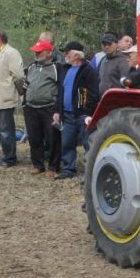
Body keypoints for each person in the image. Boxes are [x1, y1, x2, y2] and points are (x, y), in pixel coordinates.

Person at [53, 42, 99, 180]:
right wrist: (57, 110)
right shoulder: (64, 69)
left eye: (67, 52)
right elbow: (60, 92)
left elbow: (93, 93)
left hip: (83, 115)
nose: (65, 55)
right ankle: (68, 169)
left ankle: (91, 171)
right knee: (67, 142)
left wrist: (86, 111)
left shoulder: (88, 70)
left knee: (88, 143)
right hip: (66, 114)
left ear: (77, 55)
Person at [0, 29, 24, 167]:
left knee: (6, 130)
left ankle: (10, 158)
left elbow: (19, 76)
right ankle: (6, 155)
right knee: (1, 130)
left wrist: (13, 90)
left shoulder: (11, 53)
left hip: (6, 97)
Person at [24, 38, 61, 175]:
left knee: (53, 138)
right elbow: (25, 84)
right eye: (36, 52)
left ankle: (53, 166)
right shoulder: (31, 67)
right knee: (34, 138)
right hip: (31, 108)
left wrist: (58, 108)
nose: (36, 54)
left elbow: (60, 88)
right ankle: (37, 164)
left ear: (48, 53)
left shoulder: (56, 68)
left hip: (49, 108)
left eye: (39, 52)